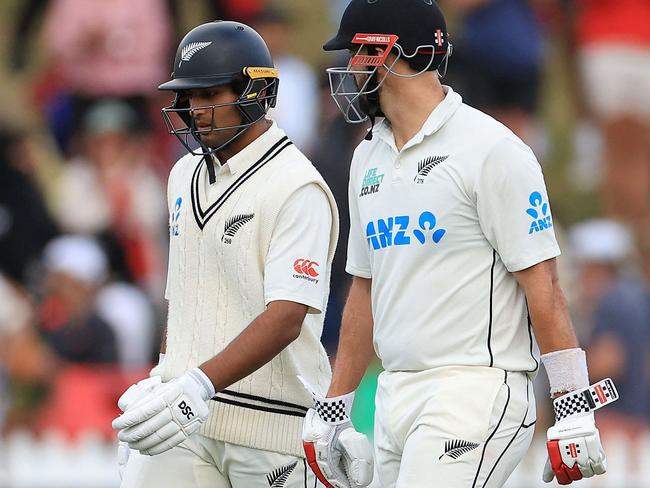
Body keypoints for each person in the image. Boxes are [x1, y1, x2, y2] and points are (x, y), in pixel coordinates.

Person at [301, 1, 618, 487]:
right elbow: (363, 290)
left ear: (389, 54)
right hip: (393, 392)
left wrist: (573, 406)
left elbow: (544, 286)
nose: (347, 69)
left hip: (475, 390)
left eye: (355, 54)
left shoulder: (491, 149)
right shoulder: (366, 157)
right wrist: (335, 406)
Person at [111, 21, 347, 487]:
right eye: (189, 97)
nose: (196, 111)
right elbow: (179, 298)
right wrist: (165, 376)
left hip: (272, 428)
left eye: (210, 95)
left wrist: (198, 384)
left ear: (256, 92)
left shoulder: (297, 186)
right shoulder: (182, 176)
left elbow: (286, 316)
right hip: (186, 420)